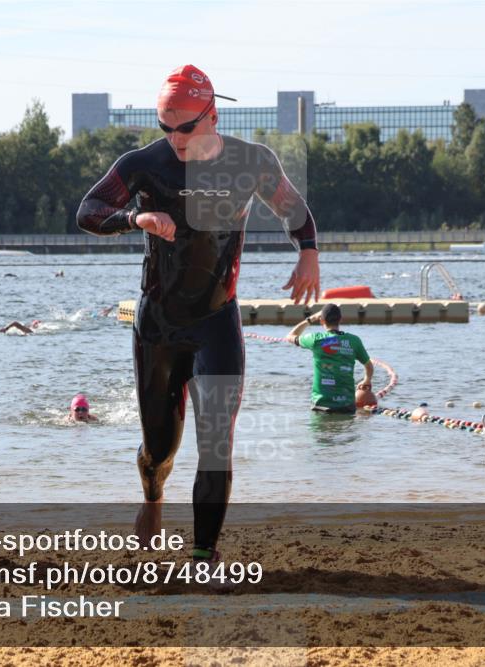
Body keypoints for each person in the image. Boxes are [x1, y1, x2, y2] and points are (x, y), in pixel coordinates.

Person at [76, 64, 320, 563]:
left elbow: (293, 210)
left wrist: (309, 253)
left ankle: (204, 555)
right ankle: (152, 496)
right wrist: (136, 218)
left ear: (212, 116)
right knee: (159, 449)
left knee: (216, 443)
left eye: (184, 128)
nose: (175, 139)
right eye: (165, 128)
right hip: (158, 325)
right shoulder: (145, 163)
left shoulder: (251, 161)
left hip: (216, 320)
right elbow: (89, 211)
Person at [286, 304, 373, 414]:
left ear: (321, 321)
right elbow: (369, 366)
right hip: (346, 405)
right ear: (340, 320)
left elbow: (290, 336)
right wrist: (367, 380)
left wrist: (310, 319)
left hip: (320, 405)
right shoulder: (354, 341)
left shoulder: (315, 339)